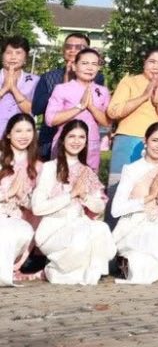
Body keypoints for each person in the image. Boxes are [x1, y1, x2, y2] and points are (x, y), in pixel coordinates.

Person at [31, 120, 115, 285]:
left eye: (81, 137)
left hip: (79, 223)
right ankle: (55, 270)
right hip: (53, 228)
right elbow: (37, 208)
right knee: (82, 236)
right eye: (72, 136)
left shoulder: (86, 172)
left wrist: (84, 196)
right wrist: (71, 194)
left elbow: (100, 206)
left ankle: (70, 271)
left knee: (101, 228)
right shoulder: (49, 168)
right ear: (63, 139)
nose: (77, 141)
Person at [110, 122, 158, 283]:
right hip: (134, 223)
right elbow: (116, 210)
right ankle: (130, 262)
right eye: (155, 140)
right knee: (142, 265)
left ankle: (136, 264)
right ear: (145, 141)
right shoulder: (131, 169)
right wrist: (147, 198)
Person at [105, 46, 158, 205]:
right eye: (152, 61)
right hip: (127, 141)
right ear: (144, 62)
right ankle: (114, 229)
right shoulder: (129, 82)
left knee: (153, 192)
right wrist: (143, 97)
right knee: (120, 191)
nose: (156, 67)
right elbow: (113, 112)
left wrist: (157, 103)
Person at [32, 32, 105, 159]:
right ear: (63, 50)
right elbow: (37, 109)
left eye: (78, 47)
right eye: (69, 46)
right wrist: (64, 83)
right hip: (49, 140)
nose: (72, 50)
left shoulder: (96, 77)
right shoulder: (48, 77)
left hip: (80, 142)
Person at [45, 47, 110, 171]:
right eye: (85, 63)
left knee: (87, 184)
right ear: (74, 66)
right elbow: (50, 119)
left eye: (94, 64)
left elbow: (107, 122)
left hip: (91, 145)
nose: (90, 68)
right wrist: (79, 107)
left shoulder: (103, 91)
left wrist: (91, 107)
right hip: (65, 145)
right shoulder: (62, 89)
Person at [0, 114, 40, 286]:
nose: (24, 135)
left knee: (16, 232)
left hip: (18, 218)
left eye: (28, 130)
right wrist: (9, 193)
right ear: (8, 134)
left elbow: (38, 204)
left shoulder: (38, 167)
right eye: (18, 131)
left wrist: (23, 198)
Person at [0, 36, 38, 128]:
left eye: (18, 53)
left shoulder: (35, 81)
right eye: (8, 53)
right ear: (2, 55)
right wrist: (4, 89)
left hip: (21, 135)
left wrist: (14, 89)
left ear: (25, 57)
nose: (13, 57)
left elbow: (32, 111)